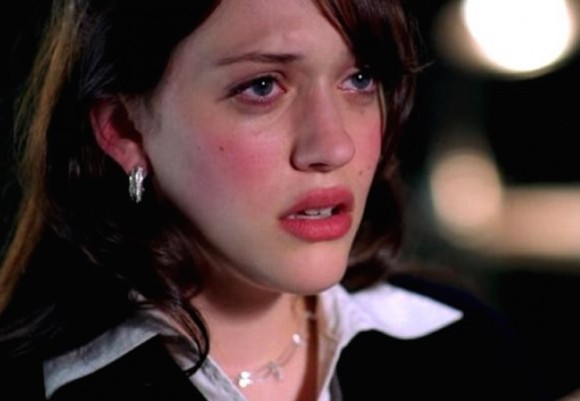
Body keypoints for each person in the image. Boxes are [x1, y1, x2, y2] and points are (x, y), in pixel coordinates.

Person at [0, 0, 544, 400]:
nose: (333, 146)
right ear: (124, 129)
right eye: (262, 87)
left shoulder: (468, 350)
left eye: (359, 79)